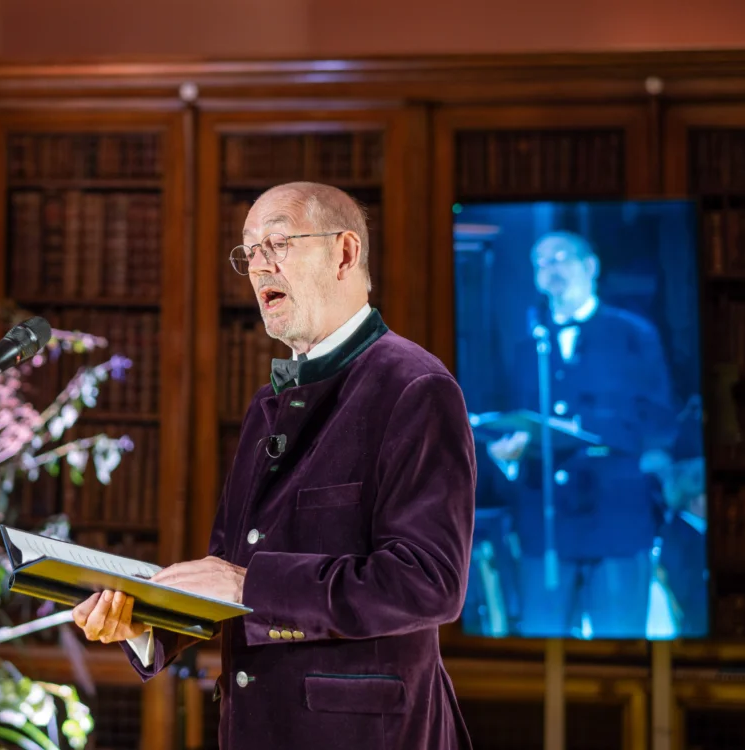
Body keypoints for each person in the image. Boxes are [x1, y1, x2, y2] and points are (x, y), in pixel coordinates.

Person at [72, 182, 476, 749]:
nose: (258, 267)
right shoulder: (267, 403)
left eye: (278, 242)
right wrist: (148, 625)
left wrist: (246, 582)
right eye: (248, 251)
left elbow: (429, 583)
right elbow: (228, 572)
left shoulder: (415, 386)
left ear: (345, 252)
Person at [487, 231, 677, 638]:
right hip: (546, 522)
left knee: (617, 646)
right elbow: (508, 415)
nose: (551, 270)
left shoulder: (634, 334)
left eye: (561, 258)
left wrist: (585, 430)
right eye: (541, 263)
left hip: (616, 517)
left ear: (591, 266)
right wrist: (508, 454)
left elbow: (658, 419)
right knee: (541, 641)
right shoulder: (526, 347)